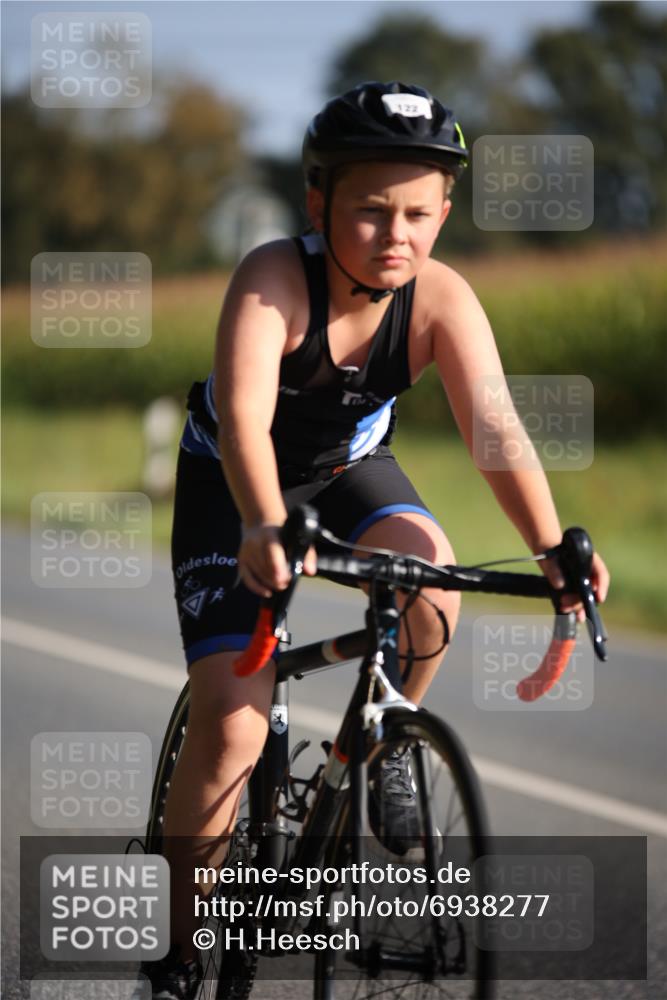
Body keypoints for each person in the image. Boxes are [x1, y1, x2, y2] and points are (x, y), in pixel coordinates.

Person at [140, 81, 610, 998]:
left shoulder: (439, 298)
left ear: (443, 215)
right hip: (237, 482)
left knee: (432, 586)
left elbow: (494, 429)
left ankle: (379, 746)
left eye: (418, 214)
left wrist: (552, 551)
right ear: (318, 204)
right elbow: (244, 423)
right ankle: (181, 950)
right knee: (232, 728)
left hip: (346, 471)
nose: (396, 234)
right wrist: (264, 524)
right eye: (370, 211)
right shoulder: (274, 279)